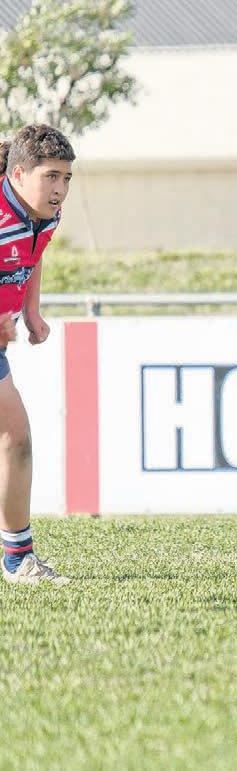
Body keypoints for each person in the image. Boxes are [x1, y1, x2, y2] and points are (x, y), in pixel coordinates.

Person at [0, 124, 74, 585]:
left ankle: (17, 558)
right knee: (15, 437)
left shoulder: (45, 215)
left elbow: (33, 253)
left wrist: (31, 310)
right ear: (20, 174)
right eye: (51, 176)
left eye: (66, 178)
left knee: (16, 438)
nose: (60, 188)